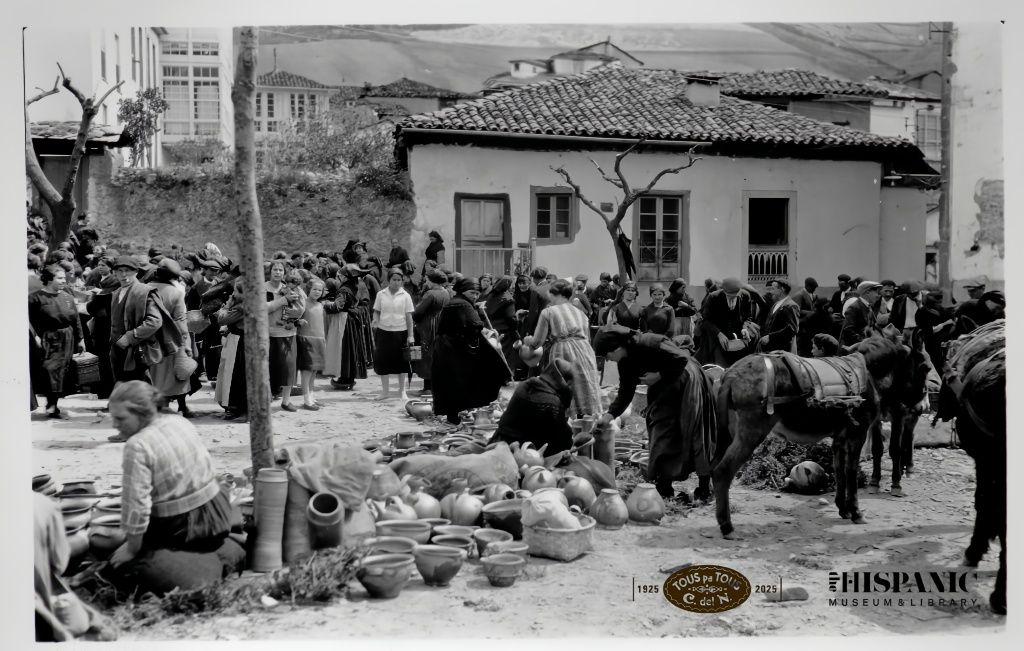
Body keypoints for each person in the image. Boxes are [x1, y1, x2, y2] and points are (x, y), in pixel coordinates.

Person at [104, 381, 244, 595]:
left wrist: (131, 549)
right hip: (217, 510)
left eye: (121, 418)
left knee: (118, 556)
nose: (115, 425)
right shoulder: (177, 421)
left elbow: (137, 507)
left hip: (183, 524)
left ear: (143, 412)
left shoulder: (138, 445)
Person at [593, 325, 717, 503]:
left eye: (608, 355)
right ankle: (664, 488)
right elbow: (626, 391)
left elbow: (682, 358)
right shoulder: (625, 362)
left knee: (696, 432)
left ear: (618, 347)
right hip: (665, 388)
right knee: (661, 432)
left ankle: (705, 487)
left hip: (686, 380)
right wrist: (609, 416)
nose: (608, 360)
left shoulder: (651, 341)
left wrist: (659, 375)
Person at [431, 278, 511, 424]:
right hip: (452, 350)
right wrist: (487, 331)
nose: (475, 296)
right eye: (472, 292)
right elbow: (475, 324)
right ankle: (455, 416)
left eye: (477, 293)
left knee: (453, 383)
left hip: (448, 349)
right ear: (463, 291)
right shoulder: (462, 304)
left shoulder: (457, 302)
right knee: (457, 382)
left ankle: (454, 415)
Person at [525, 279, 602, 416]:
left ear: (554, 293)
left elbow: (537, 342)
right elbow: (588, 338)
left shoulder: (548, 312)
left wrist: (527, 340)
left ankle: (566, 420)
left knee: (565, 386)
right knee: (585, 385)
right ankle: (587, 421)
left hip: (563, 350)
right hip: (585, 350)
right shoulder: (580, 313)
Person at [108, 256, 175, 385]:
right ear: (115, 273)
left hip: (137, 350)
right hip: (117, 350)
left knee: (140, 388)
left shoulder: (144, 292)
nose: (124, 275)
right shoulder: (116, 293)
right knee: (123, 386)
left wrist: (130, 337)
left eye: (128, 270)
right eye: (120, 271)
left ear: (136, 272)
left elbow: (155, 321)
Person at [29, 266, 85, 417]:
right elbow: (28, 320)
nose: (63, 281)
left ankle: (54, 404)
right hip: (47, 338)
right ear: (48, 279)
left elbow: (76, 319)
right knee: (49, 370)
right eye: (59, 278)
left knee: (62, 372)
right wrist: (36, 336)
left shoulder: (67, 297)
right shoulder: (35, 298)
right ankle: (51, 403)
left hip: (67, 336)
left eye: (64, 278)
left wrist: (80, 339)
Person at [490, 359, 576, 455]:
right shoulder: (552, 401)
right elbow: (563, 440)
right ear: (563, 381)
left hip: (498, 442)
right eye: (570, 384)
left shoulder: (526, 384)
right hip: (521, 452)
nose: (571, 387)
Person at [148, 259, 195, 417]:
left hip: (150, 340)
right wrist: (186, 343)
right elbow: (181, 320)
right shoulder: (176, 293)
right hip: (173, 340)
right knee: (179, 374)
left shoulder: (144, 289)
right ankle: (182, 407)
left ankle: (159, 408)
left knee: (156, 376)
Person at [266, 260, 305, 411]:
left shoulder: (289, 287)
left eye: (280, 270)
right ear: (270, 271)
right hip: (268, 334)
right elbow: (262, 308)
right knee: (269, 368)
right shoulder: (264, 288)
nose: (277, 272)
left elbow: (301, 307)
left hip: (288, 333)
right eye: (275, 269)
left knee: (289, 367)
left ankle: (286, 401)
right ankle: (266, 398)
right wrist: (283, 300)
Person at [371, 268, 415, 401]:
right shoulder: (381, 294)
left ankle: (402, 391)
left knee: (401, 363)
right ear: (388, 280)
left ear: (402, 281)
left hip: (400, 332)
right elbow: (376, 311)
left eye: (399, 280)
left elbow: (409, 317)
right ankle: (385, 392)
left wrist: (410, 335)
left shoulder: (405, 296)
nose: (396, 282)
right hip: (383, 332)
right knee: (383, 362)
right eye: (394, 280)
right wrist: (375, 320)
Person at [697, 277, 758, 368]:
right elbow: (706, 320)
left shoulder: (745, 295)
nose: (732, 298)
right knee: (720, 367)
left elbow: (748, 317)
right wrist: (719, 334)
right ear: (723, 291)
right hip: (717, 340)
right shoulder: (713, 297)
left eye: (735, 296)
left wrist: (745, 328)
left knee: (737, 367)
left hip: (737, 341)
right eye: (729, 295)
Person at [214, 278, 249, 421]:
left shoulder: (242, 307)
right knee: (231, 375)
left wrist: (225, 307)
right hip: (235, 340)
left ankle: (241, 410)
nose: (233, 294)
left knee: (237, 376)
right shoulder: (241, 305)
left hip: (240, 343)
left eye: (235, 291)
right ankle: (234, 407)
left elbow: (222, 319)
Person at [412, 269, 451, 395]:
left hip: (428, 325)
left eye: (428, 279)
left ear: (433, 281)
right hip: (441, 324)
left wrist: (416, 321)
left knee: (426, 354)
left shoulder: (430, 294)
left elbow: (418, 312)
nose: (426, 281)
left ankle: (428, 387)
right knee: (436, 354)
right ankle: (434, 386)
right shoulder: (446, 292)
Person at [85, 276, 119, 400]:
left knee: (103, 362)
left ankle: (103, 391)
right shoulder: (119, 296)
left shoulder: (100, 297)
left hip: (101, 334)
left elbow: (90, 309)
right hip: (113, 333)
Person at [296, 278, 327, 410]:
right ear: (308, 289)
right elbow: (297, 318)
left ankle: (312, 396)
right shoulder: (304, 303)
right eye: (314, 289)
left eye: (320, 290)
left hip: (318, 340)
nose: (317, 292)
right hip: (306, 339)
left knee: (314, 370)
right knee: (307, 370)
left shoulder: (321, 305)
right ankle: (306, 399)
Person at [483, 275, 520, 372]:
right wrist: (516, 327)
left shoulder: (491, 295)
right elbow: (511, 317)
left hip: (489, 328)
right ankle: (506, 375)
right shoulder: (507, 298)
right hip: (503, 331)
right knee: (505, 354)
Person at [757, 278, 800, 353]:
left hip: (782, 351)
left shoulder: (791, 306)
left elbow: (792, 329)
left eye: (773, 289)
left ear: (782, 289)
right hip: (770, 350)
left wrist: (770, 337)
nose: (770, 292)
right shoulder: (775, 305)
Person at [839, 280, 881, 347]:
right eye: (876, 292)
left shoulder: (868, 307)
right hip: (853, 350)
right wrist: (864, 342)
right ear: (867, 292)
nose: (878, 296)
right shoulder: (854, 308)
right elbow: (848, 330)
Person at [791, 277, 818, 356]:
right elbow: (797, 309)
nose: (814, 290)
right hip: (802, 327)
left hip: (808, 327)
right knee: (801, 348)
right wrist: (811, 313)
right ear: (808, 286)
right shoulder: (799, 295)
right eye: (813, 288)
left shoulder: (811, 295)